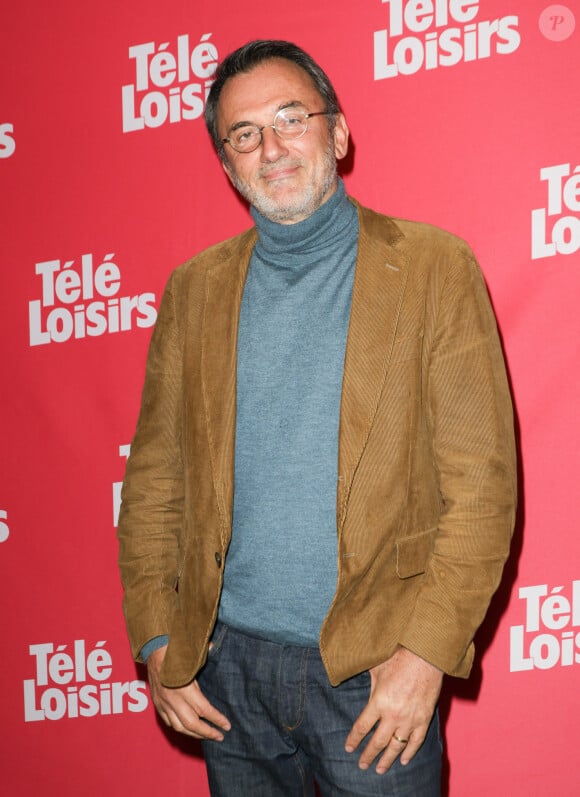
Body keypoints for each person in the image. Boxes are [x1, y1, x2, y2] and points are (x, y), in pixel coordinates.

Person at [118, 39, 517, 797]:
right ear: (228, 164)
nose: (270, 147)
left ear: (336, 133)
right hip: (226, 674)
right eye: (244, 134)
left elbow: (481, 491)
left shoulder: (436, 270)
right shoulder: (193, 291)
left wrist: (425, 655)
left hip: (373, 670)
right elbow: (154, 484)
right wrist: (160, 637)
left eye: (290, 117)